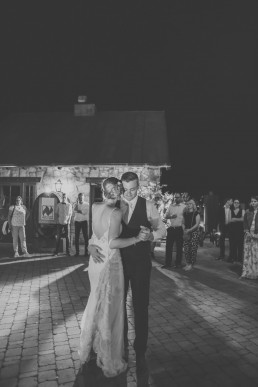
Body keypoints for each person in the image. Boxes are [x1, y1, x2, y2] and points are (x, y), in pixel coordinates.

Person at [88, 172, 166, 385]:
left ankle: (140, 350)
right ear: (121, 187)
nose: (130, 193)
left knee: (141, 306)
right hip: (119, 263)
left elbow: (161, 228)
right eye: (127, 189)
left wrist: (151, 236)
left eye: (134, 189)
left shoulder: (148, 205)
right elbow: (102, 233)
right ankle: (119, 346)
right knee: (118, 307)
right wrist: (90, 244)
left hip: (141, 264)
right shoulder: (115, 206)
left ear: (138, 186)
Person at [79, 177, 147, 377]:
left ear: (102, 190)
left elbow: (94, 235)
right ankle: (108, 356)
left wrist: (89, 247)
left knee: (95, 303)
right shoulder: (116, 212)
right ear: (117, 191)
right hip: (110, 263)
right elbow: (112, 243)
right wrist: (136, 238)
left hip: (94, 262)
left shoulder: (94, 206)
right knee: (110, 311)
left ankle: (90, 349)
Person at [162, 193, 185, 269]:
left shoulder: (184, 207)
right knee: (168, 247)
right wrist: (171, 216)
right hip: (171, 228)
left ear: (181, 198)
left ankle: (178, 263)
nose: (176, 199)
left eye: (178, 197)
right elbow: (165, 216)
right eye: (175, 197)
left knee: (179, 247)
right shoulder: (171, 206)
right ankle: (167, 263)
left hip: (179, 229)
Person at [241, 196, 258, 279]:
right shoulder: (248, 212)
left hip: (256, 236)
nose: (253, 203)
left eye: (255, 201)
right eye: (252, 201)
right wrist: (247, 231)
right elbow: (244, 223)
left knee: (255, 255)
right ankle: (245, 273)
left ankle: (255, 273)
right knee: (247, 254)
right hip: (248, 235)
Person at [182, 199, 201, 271]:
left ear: (193, 205)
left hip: (194, 232)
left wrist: (190, 230)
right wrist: (184, 229)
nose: (189, 205)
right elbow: (183, 223)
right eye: (188, 204)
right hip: (186, 232)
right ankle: (188, 263)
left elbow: (197, 224)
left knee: (193, 249)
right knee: (186, 249)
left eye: (190, 204)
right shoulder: (185, 213)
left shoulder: (196, 213)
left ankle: (191, 264)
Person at [228, 199, 245, 263]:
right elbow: (229, 220)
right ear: (233, 203)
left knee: (240, 245)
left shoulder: (242, 210)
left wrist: (234, 219)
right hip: (232, 230)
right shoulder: (230, 210)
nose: (236, 203)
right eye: (235, 202)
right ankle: (233, 258)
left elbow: (243, 219)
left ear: (239, 204)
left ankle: (239, 259)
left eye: (237, 202)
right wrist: (239, 219)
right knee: (232, 245)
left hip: (240, 230)